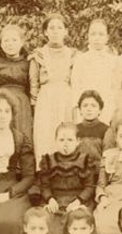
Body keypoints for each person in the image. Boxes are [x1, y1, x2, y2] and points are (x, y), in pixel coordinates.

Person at [0, 91, 35, 234]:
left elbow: (29, 176)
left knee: (15, 221)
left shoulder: (20, 139)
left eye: (7, 111)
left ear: (12, 114)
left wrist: (10, 193)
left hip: (15, 191)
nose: (2, 115)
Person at [31, 14, 77, 168]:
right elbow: (34, 84)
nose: (55, 31)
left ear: (66, 31)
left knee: (66, 134)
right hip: (46, 100)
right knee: (45, 135)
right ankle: (45, 174)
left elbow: (77, 81)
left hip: (66, 99)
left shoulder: (74, 55)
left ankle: (67, 172)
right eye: (51, 28)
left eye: (59, 27)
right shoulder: (38, 55)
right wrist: (34, 103)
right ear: (45, 32)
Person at [71, 19, 120, 124]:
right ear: (88, 36)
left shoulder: (114, 60)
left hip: (107, 105)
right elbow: (75, 85)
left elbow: (116, 87)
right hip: (85, 106)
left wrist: (116, 109)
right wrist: (76, 108)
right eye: (93, 34)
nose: (97, 38)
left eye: (101, 34)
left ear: (107, 38)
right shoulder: (81, 59)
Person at [0, 24, 33, 138]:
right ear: (1, 44)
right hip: (2, 104)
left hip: (22, 104)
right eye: (6, 40)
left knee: (22, 135)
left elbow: (31, 88)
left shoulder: (28, 63)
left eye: (14, 40)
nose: (10, 44)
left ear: (21, 42)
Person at [75, 90, 109, 168]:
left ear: (100, 110)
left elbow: (107, 157)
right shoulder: (74, 130)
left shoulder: (106, 130)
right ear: (80, 110)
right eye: (85, 105)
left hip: (98, 172)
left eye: (93, 106)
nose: (89, 109)